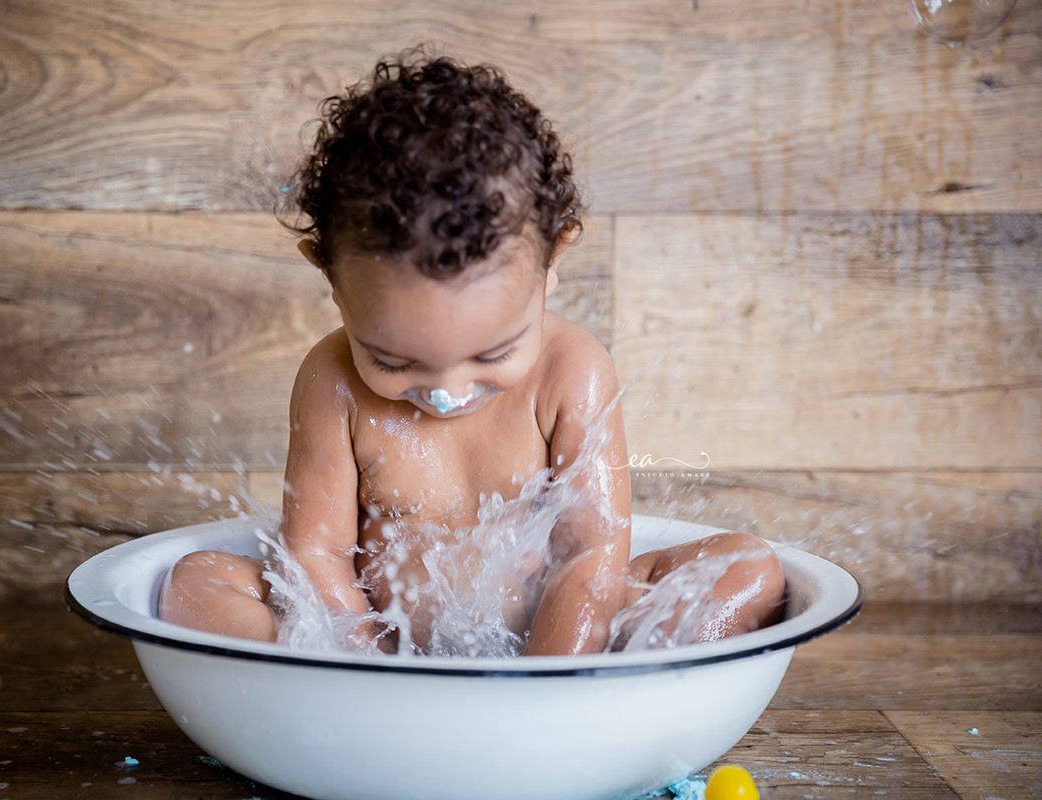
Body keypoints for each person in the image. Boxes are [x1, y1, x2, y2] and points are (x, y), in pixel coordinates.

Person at [160, 50, 785, 656]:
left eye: (494, 354)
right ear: (329, 275)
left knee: (747, 569)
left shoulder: (571, 371)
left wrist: (545, 681)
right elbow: (317, 556)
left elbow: (588, 554)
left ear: (553, 260)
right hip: (384, 644)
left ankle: (594, 684)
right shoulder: (334, 383)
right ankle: (357, 694)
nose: (446, 392)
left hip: (557, 635)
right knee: (197, 584)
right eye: (394, 362)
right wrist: (365, 666)